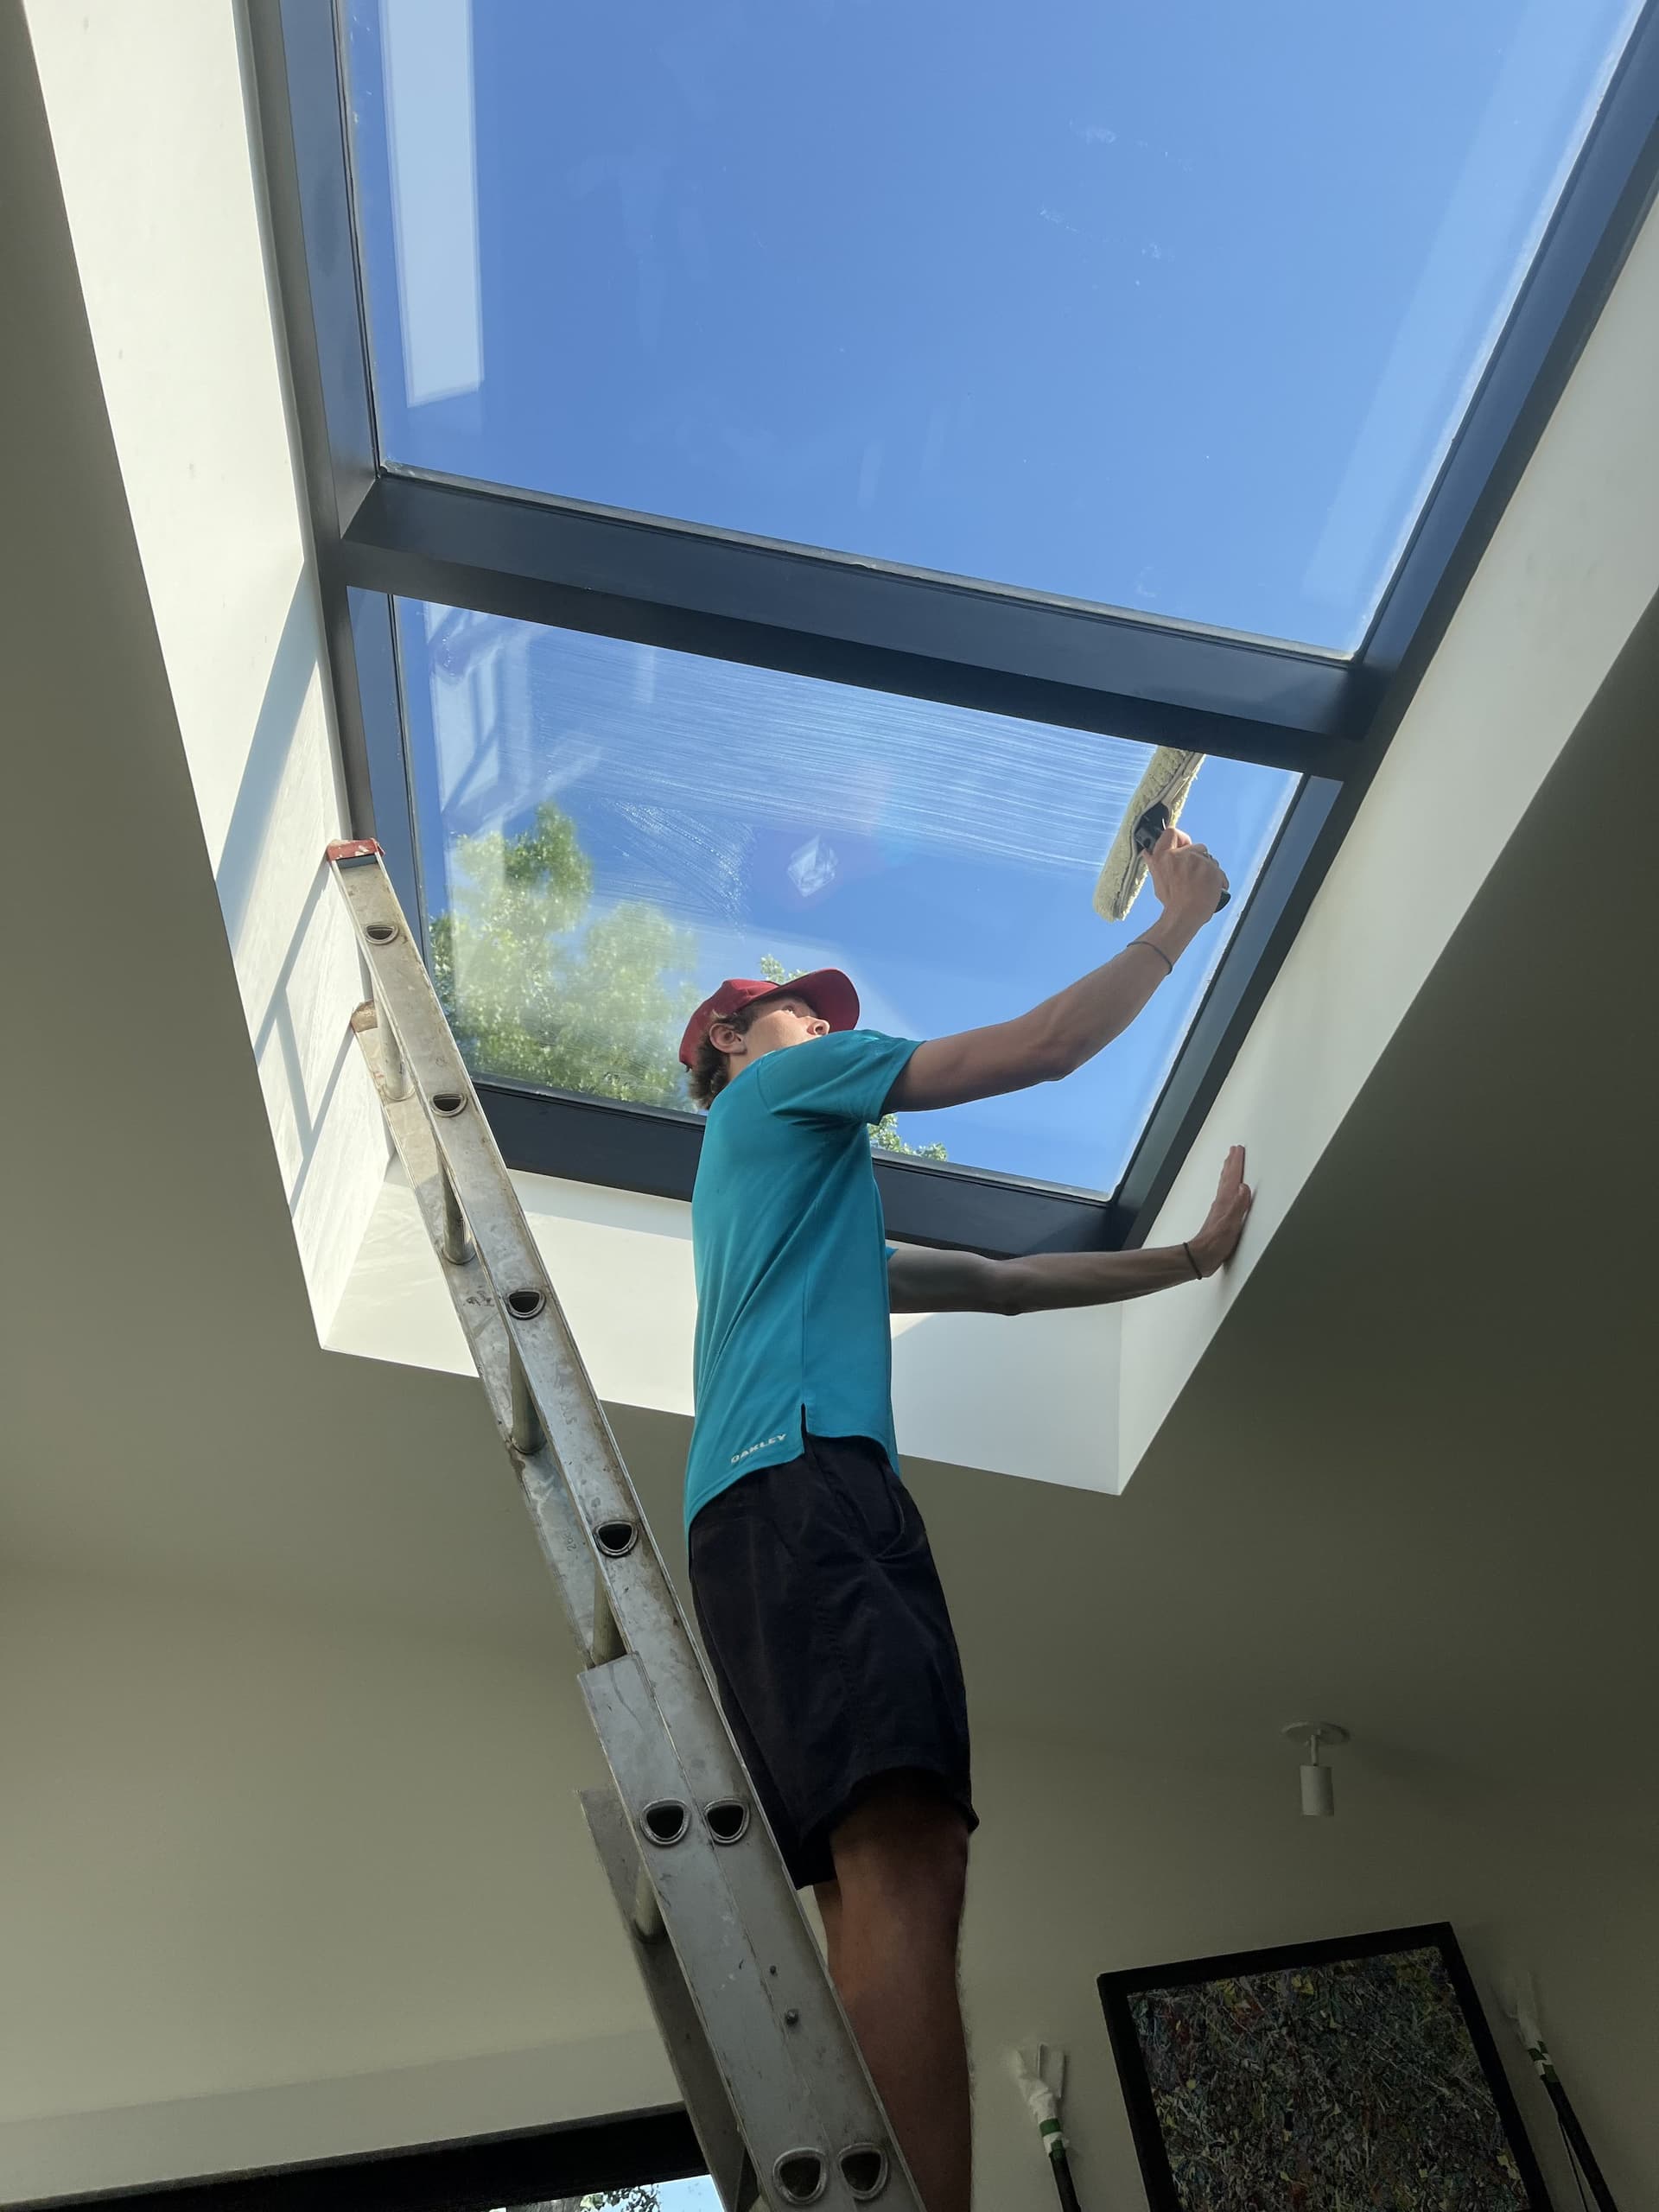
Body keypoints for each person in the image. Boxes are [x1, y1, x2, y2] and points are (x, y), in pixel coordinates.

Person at [677, 823, 1252, 2212]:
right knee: (906, 1855)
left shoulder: (794, 1216)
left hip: (777, 1502)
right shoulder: (779, 1097)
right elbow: (1040, 1049)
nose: (824, 1021)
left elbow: (995, 1284)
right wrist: (1177, 925)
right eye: (797, 1009)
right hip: (802, 1481)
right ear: (736, 1041)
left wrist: (1182, 1261)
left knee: (879, 1878)